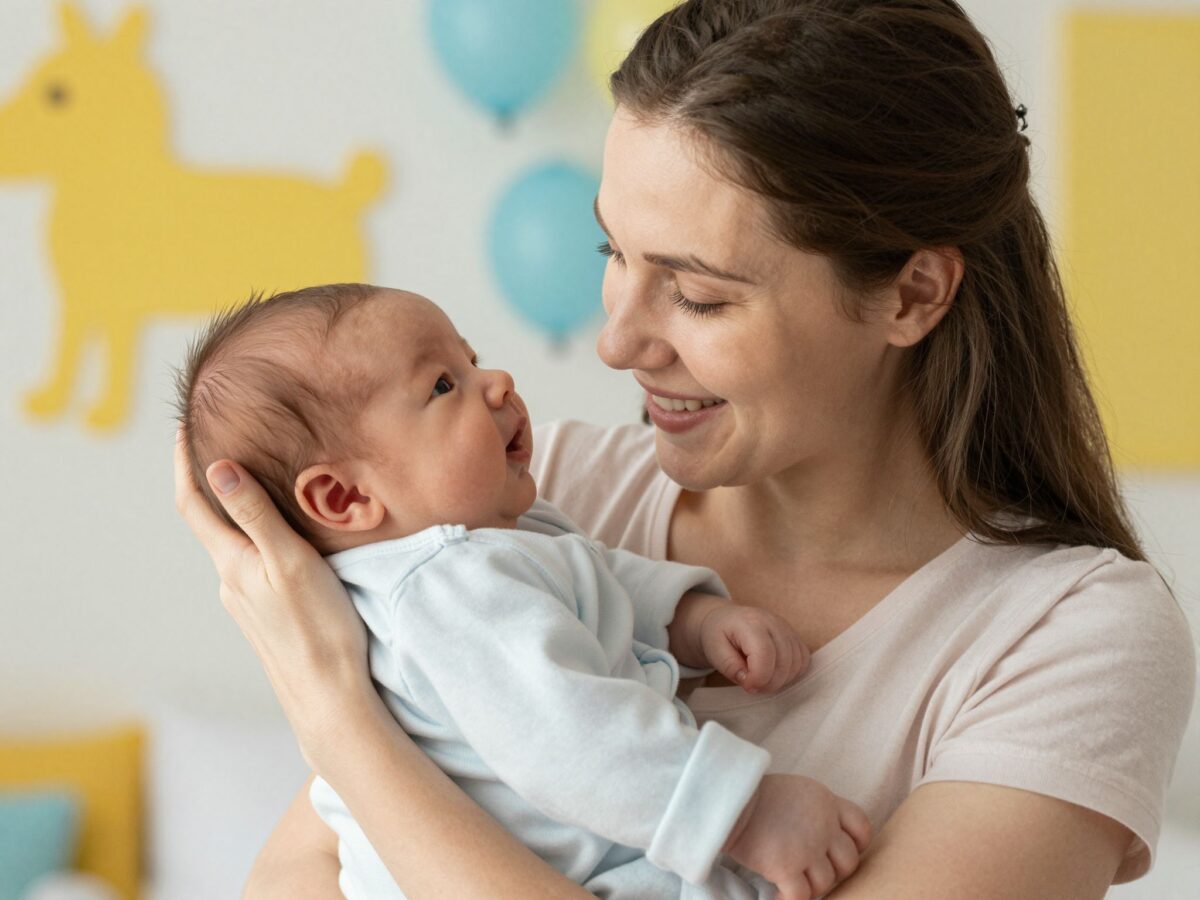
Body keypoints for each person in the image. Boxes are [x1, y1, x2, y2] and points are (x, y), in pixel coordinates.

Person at [174, 1, 1195, 898]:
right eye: (611, 252)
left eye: (699, 293)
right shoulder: (524, 496)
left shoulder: (1068, 638)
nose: (617, 339)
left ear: (911, 294)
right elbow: (295, 878)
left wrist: (332, 710)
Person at [175, 285, 868, 898]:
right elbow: (574, 738)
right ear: (343, 495)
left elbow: (591, 574)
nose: (498, 382)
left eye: (473, 359)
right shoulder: (443, 592)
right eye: (443, 386)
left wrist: (693, 616)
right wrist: (743, 815)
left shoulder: (486, 536)